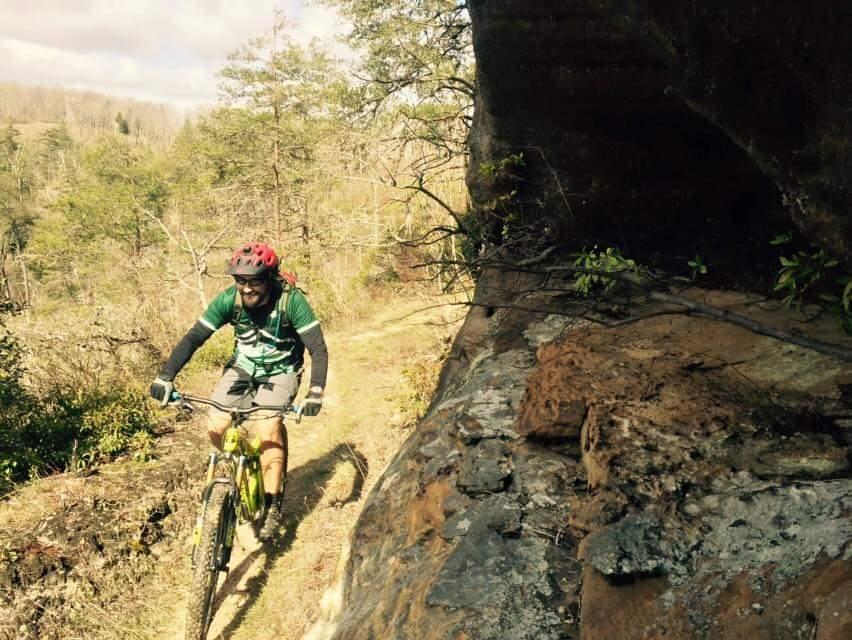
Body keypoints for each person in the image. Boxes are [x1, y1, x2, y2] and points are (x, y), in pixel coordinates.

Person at [149, 242, 328, 539]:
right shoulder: (228, 300)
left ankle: (271, 505)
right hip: (242, 368)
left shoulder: (291, 302)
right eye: (240, 280)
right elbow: (195, 337)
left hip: (281, 370)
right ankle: (237, 476)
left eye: (254, 280)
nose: (246, 288)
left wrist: (315, 392)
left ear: (270, 278)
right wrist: (165, 377)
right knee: (216, 424)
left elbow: (318, 349)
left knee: (268, 428)